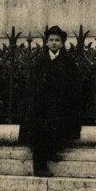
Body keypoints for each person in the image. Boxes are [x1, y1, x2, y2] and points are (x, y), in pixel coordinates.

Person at [19, 26, 81, 176]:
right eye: (51, 40)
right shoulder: (40, 61)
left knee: (56, 122)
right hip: (41, 104)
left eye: (57, 40)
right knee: (39, 127)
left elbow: (73, 84)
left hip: (59, 103)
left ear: (62, 43)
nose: (54, 43)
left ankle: (51, 150)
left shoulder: (67, 62)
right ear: (46, 42)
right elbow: (32, 85)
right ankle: (39, 167)